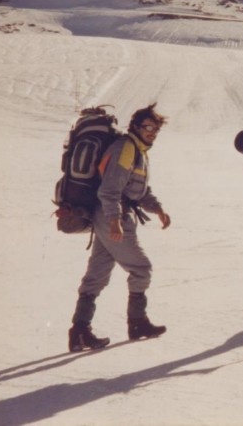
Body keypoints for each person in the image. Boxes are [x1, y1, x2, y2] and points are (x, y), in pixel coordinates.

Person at [68, 104, 172, 352]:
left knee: (96, 275)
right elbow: (110, 189)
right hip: (112, 216)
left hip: (108, 215)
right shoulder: (126, 148)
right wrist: (114, 220)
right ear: (136, 126)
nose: (152, 132)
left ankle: (79, 332)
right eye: (148, 127)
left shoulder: (137, 151)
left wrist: (157, 209)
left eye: (156, 129)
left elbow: (138, 190)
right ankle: (137, 323)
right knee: (141, 269)